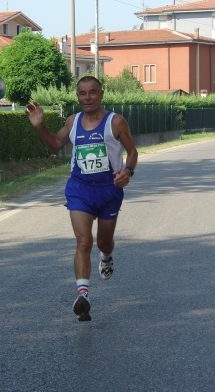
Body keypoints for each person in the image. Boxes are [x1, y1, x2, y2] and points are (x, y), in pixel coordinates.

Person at [26, 76, 138, 321]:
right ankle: (83, 295)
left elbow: (132, 151)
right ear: (77, 96)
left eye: (92, 92)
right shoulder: (73, 121)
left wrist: (127, 171)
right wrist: (39, 127)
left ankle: (106, 257)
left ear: (101, 94)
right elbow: (56, 144)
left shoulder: (115, 122)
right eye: (82, 93)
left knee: (103, 243)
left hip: (109, 190)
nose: (87, 98)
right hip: (80, 188)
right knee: (84, 241)